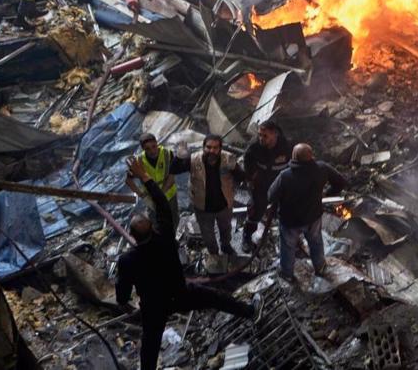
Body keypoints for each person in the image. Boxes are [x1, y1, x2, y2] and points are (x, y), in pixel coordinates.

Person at [118, 157, 261, 370]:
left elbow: (122, 291)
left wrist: (124, 302)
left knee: (150, 345)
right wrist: (144, 176)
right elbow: (162, 205)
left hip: (153, 305)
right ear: (152, 228)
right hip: (179, 294)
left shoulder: (127, 260)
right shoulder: (165, 238)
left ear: (132, 236)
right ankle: (249, 311)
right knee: (215, 297)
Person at [268, 143, 349, 280]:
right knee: (316, 242)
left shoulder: (285, 176)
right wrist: (327, 193)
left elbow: (270, 196)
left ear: (293, 157)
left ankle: (287, 274)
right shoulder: (322, 168)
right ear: (311, 156)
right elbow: (340, 182)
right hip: (313, 217)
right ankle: (320, 268)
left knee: (288, 248)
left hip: (290, 221)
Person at [186, 134, 243, 258]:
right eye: (208, 147)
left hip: (224, 206)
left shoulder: (228, 158)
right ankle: (214, 253)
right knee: (208, 235)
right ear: (203, 147)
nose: (211, 150)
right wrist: (180, 157)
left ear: (220, 149)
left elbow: (241, 176)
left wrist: (235, 173)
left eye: (215, 148)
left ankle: (226, 247)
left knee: (226, 230)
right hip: (203, 208)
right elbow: (175, 169)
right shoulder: (193, 159)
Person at [241, 118, 292, 253]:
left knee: (285, 210)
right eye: (259, 135)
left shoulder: (286, 146)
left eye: (265, 136)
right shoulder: (254, 146)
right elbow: (247, 160)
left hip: (280, 183)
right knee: (255, 211)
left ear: (275, 134)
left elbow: (294, 162)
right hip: (261, 184)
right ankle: (247, 237)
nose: (261, 138)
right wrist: (251, 178)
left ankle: (288, 239)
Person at [124, 133, 183, 230]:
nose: (152, 151)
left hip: (169, 195)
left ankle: (173, 235)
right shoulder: (139, 161)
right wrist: (143, 196)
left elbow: (171, 176)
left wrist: (161, 195)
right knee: (156, 222)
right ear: (143, 149)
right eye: (147, 149)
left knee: (173, 219)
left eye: (153, 146)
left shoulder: (168, 154)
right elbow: (128, 181)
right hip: (151, 198)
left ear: (157, 143)